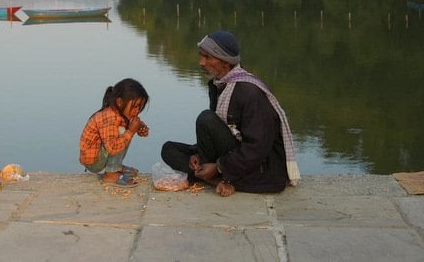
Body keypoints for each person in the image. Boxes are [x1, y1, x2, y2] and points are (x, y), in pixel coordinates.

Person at [161, 30, 299, 196]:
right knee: (169, 149)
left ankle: (222, 178)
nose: (201, 62)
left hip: (262, 170)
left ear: (225, 63)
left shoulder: (249, 93)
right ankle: (211, 175)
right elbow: (224, 130)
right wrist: (197, 153)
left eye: (207, 57)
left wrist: (220, 166)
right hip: (234, 154)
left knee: (205, 119)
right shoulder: (219, 84)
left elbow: (257, 148)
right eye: (201, 56)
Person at [79, 78, 150, 187]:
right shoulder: (109, 116)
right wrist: (131, 131)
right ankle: (111, 174)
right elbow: (112, 148)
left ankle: (116, 166)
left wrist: (139, 128)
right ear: (120, 102)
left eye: (139, 107)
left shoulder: (122, 113)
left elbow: (134, 129)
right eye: (134, 106)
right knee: (123, 131)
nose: (137, 111)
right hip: (93, 161)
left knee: (126, 130)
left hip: (102, 153)